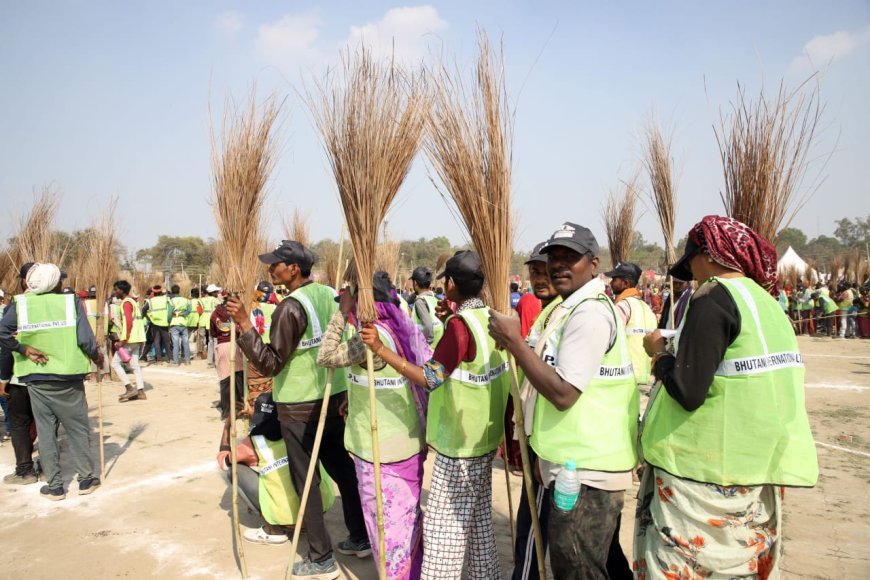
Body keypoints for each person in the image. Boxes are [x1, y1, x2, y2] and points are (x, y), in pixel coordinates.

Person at [635, 215, 818, 578]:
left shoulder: (713, 296)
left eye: (693, 264)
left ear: (709, 255)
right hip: (754, 469)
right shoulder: (768, 305)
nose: (693, 274)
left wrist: (658, 353)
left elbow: (687, 391)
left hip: (701, 475)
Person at [488, 223, 637, 580]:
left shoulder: (588, 313)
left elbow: (563, 393)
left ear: (594, 264)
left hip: (587, 469)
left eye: (570, 257)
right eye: (554, 257)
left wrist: (516, 343)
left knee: (578, 568)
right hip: (569, 464)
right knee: (582, 562)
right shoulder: (567, 308)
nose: (558, 265)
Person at [361, 250, 508, 579]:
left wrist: (382, 351)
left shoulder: (461, 326)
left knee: (444, 533)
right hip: (484, 439)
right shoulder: (491, 318)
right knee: (479, 523)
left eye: (446, 284)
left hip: (459, 445)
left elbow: (431, 377)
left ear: (452, 284)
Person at [226, 240, 367, 579]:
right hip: (333, 397)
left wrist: (245, 325)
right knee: (343, 470)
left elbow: (270, 363)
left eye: (275, 264)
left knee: (307, 482)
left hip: (300, 406)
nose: (270, 269)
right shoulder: (328, 294)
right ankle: (361, 535)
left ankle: (322, 558)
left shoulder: (290, 307)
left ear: (293, 269)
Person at [318, 271, 432, 579]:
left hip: (381, 450)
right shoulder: (402, 329)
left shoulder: (370, 338)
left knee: (386, 525)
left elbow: (325, 355)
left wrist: (339, 315)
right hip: (407, 441)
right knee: (406, 519)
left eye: (349, 299)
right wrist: (353, 400)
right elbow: (391, 379)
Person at [0, 263, 104, 500]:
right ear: (55, 284)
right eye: (60, 280)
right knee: (77, 429)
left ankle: (55, 486)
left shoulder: (20, 304)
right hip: (68, 376)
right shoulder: (70, 302)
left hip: (36, 379)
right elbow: (85, 339)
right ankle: (86, 480)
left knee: (46, 432)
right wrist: (96, 356)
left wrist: (23, 349)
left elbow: (2, 333)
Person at [507, 242, 563, 580]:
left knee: (534, 531)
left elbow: (557, 383)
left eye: (545, 271)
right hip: (535, 433)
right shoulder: (545, 311)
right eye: (534, 272)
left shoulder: (564, 313)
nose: (538, 278)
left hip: (549, 441)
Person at [217, 391, 337, 544]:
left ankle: (273, 530)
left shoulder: (255, 442)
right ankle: (308, 524)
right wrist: (262, 415)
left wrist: (227, 426)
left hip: (284, 515)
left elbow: (223, 462)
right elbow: (274, 423)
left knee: (235, 470)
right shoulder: (304, 429)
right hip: (320, 507)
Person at [0, 270, 38, 485]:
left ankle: (25, 470)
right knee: (46, 421)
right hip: (52, 377)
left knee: (19, 423)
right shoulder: (60, 305)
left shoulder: (18, 307)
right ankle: (51, 469)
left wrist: (3, 378)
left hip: (21, 377)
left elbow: (7, 346)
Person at [605, 262, 657, 387]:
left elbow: (611, 339)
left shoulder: (623, 306)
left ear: (625, 283)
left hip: (627, 376)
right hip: (646, 376)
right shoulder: (646, 307)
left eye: (614, 279)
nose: (610, 283)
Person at [111, 280, 147, 402]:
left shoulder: (126, 303)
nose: (114, 292)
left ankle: (129, 387)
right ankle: (141, 391)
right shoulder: (133, 301)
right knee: (135, 365)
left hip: (130, 339)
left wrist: (124, 339)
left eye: (116, 289)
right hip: (138, 338)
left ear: (121, 290)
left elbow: (128, 322)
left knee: (115, 363)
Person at [211, 292, 244, 420]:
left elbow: (213, 332)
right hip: (237, 345)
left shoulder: (215, 313)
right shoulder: (238, 310)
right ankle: (240, 409)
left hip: (222, 345)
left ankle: (226, 412)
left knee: (225, 379)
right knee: (239, 377)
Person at [410, 266, 443, 345]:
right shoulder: (435, 298)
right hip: (438, 347)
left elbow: (428, 326)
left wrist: (423, 344)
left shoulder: (420, 301)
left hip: (428, 351)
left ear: (415, 283)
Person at [143, 285, 171, 363]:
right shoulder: (166, 299)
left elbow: (143, 310)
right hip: (164, 323)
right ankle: (170, 358)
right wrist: (169, 320)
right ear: (161, 291)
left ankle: (158, 359)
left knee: (156, 341)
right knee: (167, 341)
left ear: (153, 292)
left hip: (154, 323)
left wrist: (149, 317)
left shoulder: (150, 301)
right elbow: (171, 309)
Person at [168, 284, 191, 365]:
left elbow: (169, 313)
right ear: (179, 290)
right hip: (184, 323)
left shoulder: (171, 301)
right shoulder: (186, 300)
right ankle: (187, 361)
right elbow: (189, 310)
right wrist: (183, 314)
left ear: (172, 292)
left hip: (174, 323)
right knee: (186, 343)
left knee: (175, 344)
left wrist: (169, 321)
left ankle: (176, 362)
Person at [200, 284, 220, 364]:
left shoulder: (202, 299)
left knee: (210, 341)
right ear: (213, 292)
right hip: (214, 321)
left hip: (204, 321)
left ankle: (209, 361)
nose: (218, 293)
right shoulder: (216, 300)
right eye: (216, 291)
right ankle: (216, 361)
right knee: (215, 341)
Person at [187, 287, 201, 356]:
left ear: (191, 294)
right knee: (197, 337)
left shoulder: (188, 301)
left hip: (189, 321)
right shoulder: (199, 301)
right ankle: (196, 352)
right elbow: (200, 311)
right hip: (197, 320)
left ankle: (185, 352)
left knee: (186, 337)